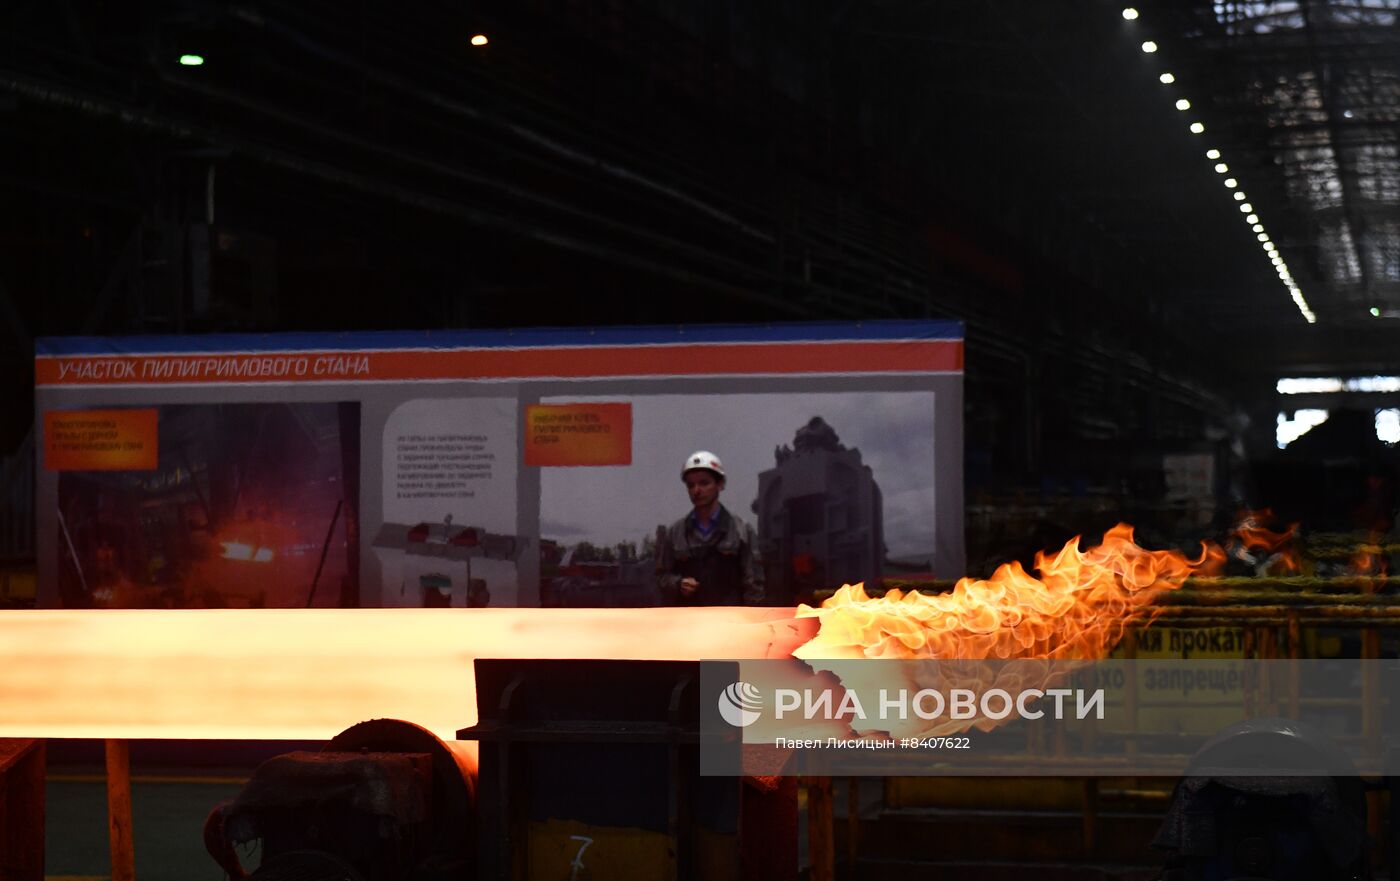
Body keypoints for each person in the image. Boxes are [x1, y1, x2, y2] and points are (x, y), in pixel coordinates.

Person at [656, 450, 764, 605]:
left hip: (730, 623)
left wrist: (751, 624)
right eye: (691, 485)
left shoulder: (741, 530)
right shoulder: (675, 533)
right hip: (689, 623)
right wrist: (678, 584)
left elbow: (754, 585)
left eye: (704, 483)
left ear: (720, 484)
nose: (697, 490)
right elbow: (661, 577)